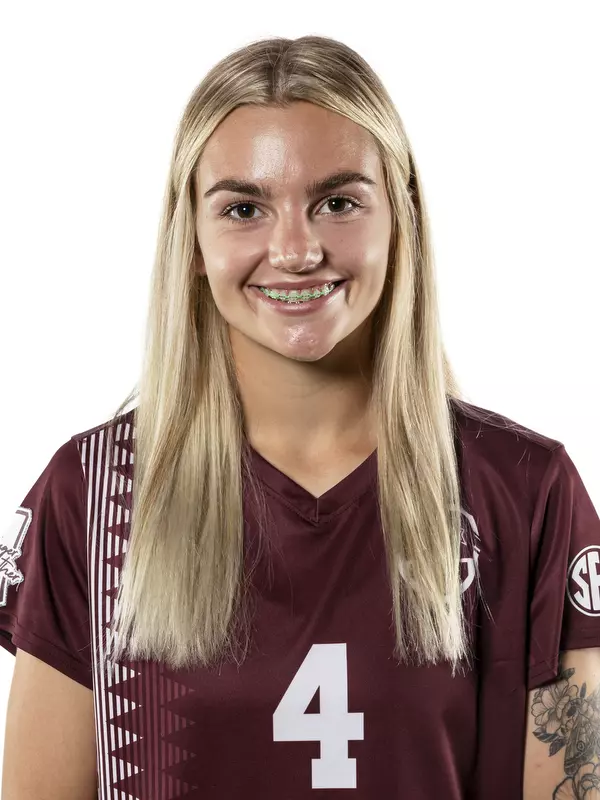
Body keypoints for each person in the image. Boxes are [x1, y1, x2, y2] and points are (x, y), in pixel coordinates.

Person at [1, 34, 599, 800]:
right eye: (245, 208)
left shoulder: (524, 490)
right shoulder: (96, 497)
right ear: (192, 236)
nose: (294, 250)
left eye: (338, 202)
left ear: (402, 215)